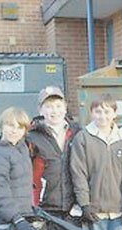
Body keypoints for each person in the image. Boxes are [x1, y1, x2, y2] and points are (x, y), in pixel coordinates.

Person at [69, 93, 122, 230]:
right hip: (95, 209)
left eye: (107, 112)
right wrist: (84, 204)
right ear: (91, 113)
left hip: (119, 209)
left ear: (115, 113)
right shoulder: (83, 138)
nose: (103, 116)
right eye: (98, 111)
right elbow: (78, 173)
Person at [27, 86, 81, 218]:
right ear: (40, 110)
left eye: (58, 106)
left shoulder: (78, 132)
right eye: (49, 107)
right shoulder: (31, 136)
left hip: (73, 207)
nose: (54, 111)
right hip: (45, 207)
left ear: (65, 107)